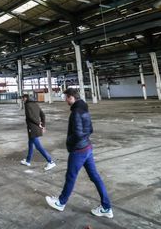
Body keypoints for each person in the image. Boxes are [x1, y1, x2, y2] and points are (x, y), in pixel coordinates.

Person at [45, 88, 113, 219]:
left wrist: (69, 142)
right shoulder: (84, 108)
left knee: (70, 176)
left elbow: (77, 134)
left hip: (79, 150)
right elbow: (90, 129)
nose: (64, 100)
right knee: (95, 177)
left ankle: (61, 202)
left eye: (66, 97)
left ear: (71, 97)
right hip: (87, 147)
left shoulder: (76, 112)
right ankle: (106, 207)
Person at [20, 94, 56, 171]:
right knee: (30, 144)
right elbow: (43, 115)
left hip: (33, 129)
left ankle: (50, 161)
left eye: (22, 98)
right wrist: (43, 125)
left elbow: (30, 117)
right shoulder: (36, 104)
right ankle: (28, 161)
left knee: (38, 146)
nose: (22, 100)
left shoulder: (27, 105)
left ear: (25, 98)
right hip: (35, 128)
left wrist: (38, 123)